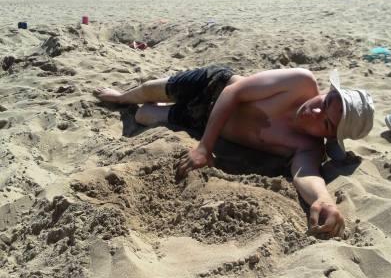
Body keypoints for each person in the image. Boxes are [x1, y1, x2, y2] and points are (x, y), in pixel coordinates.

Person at [93, 66, 374, 238]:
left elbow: (306, 173)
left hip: (202, 121)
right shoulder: (300, 82)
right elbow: (234, 92)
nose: (313, 111)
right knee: (148, 91)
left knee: (144, 115)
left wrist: (323, 199)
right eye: (324, 102)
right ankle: (121, 96)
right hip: (213, 86)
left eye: (324, 121)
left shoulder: (307, 146)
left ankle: (137, 106)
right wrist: (204, 147)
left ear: (329, 136)